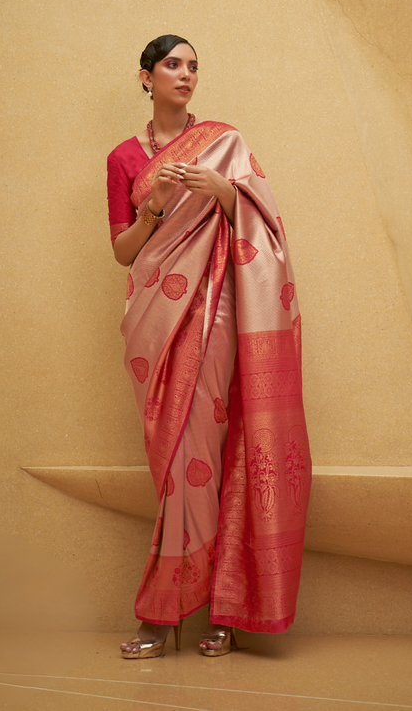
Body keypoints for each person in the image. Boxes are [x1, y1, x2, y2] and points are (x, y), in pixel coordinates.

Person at [106, 35, 311, 659]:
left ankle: (209, 607)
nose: (186, 74)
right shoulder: (121, 158)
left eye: (193, 66)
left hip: (215, 309)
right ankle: (173, 610)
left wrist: (223, 191)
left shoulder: (224, 143)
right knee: (171, 455)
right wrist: (158, 207)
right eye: (173, 65)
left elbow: (266, 224)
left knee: (207, 449)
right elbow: (121, 251)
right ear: (145, 77)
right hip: (153, 315)